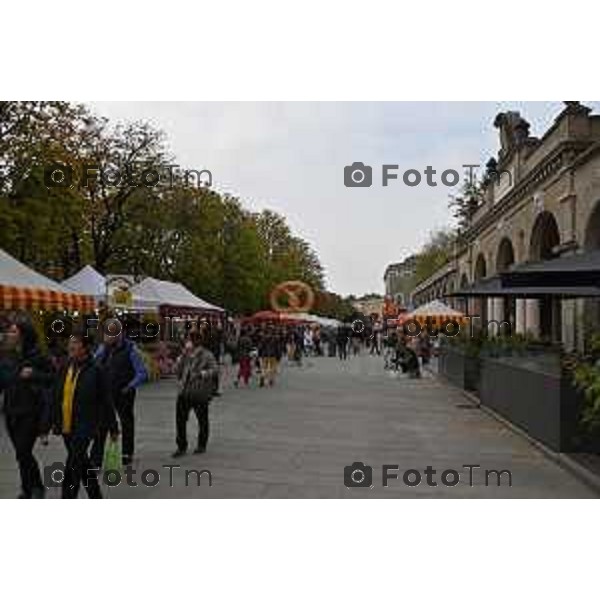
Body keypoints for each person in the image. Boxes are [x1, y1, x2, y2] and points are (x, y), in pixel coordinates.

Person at [53, 331, 119, 499]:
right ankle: (95, 496)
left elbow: (106, 400)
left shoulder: (96, 370)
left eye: (75, 342)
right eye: (70, 342)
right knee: (82, 463)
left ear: (85, 347)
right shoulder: (65, 367)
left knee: (73, 465)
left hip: (86, 426)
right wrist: (47, 424)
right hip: (67, 424)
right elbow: (56, 396)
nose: (71, 345)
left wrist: (113, 427)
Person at [0, 319, 54, 499]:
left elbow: (53, 379)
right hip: (11, 411)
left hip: (31, 411)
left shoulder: (38, 356)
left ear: (24, 335)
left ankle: (37, 487)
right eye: (9, 331)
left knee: (23, 451)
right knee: (20, 453)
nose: (9, 334)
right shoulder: (7, 356)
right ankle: (27, 488)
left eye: (13, 332)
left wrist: (34, 374)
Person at [93, 322, 147, 466]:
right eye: (107, 334)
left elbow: (142, 372)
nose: (109, 337)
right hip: (106, 392)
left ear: (120, 334)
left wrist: (130, 386)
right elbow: (94, 364)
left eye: (112, 334)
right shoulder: (103, 348)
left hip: (124, 392)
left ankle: (127, 453)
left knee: (126, 422)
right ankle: (96, 458)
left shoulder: (130, 349)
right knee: (102, 424)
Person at [172, 330, 218, 457]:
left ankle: (201, 445)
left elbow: (214, 370)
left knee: (202, 419)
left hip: (199, 392)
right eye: (188, 339)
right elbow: (175, 370)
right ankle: (181, 446)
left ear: (198, 341)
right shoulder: (185, 355)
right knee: (180, 420)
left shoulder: (207, 355)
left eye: (191, 339)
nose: (189, 342)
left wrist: (202, 374)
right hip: (184, 391)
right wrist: (182, 356)